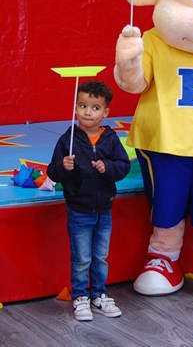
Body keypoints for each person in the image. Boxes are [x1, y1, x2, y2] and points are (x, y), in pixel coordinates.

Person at [48, 80, 131, 321]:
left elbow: (123, 166)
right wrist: (63, 167)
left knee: (100, 256)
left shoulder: (111, 139)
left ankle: (99, 294)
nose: (87, 112)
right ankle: (81, 297)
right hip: (79, 208)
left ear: (105, 112)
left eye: (94, 108)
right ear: (75, 108)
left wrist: (108, 167)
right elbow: (53, 171)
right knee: (82, 258)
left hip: (104, 207)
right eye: (82, 106)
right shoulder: (68, 139)